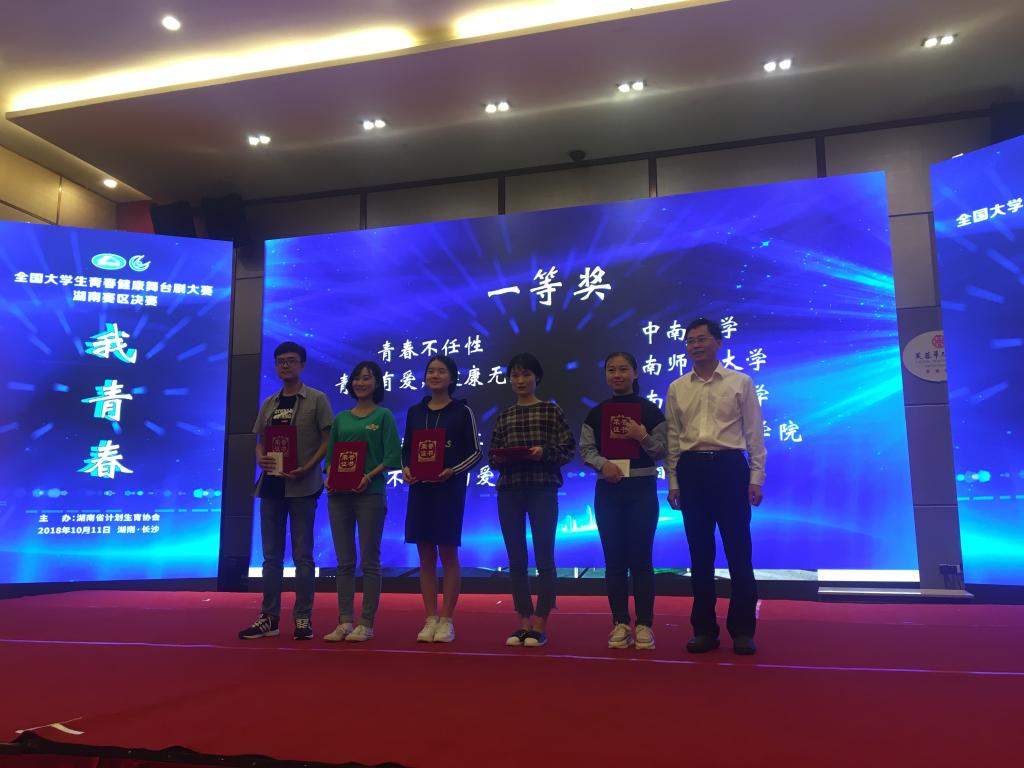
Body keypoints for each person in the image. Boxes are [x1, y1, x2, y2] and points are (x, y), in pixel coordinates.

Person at [665, 318, 766, 655]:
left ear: (718, 342)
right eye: (690, 340)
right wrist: (673, 481)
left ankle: (743, 631)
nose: (695, 345)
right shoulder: (677, 387)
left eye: (702, 339)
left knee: (739, 552)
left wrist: (756, 478)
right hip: (692, 470)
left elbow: (754, 433)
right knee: (700, 555)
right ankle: (704, 630)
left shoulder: (740, 382)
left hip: (729, 468)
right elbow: (673, 438)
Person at [240, 341, 333, 641]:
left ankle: (303, 617)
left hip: (303, 485)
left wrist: (309, 467)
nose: (285, 365)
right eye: (281, 361)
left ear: (302, 365)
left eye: (291, 360)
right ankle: (269, 618)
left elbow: (328, 440)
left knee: (303, 556)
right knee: (271, 558)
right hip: (271, 485)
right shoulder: (269, 403)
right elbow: (260, 441)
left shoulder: (317, 399)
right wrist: (259, 456)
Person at [579, 352, 667, 650]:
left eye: (623, 369)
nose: (617, 375)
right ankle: (619, 623)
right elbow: (586, 449)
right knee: (614, 561)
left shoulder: (650, 411)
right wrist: (603, 464)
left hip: (642, 489)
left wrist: (642, 436)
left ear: (635, 373)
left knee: (641, 560)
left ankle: (644, 625)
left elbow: (662, 450)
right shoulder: (596, 413)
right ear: (606, 375)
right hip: (609, 490)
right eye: (611, 370)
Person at [490, 353, 575, 647]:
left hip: (542, 489)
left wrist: (543, 453)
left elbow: (568, 449)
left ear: (536, 377)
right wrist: (502, 458)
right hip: (509, 491)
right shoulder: (505, 415)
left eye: (525, 374)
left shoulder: (551, 411)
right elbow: (492, 457)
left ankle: (540, 623)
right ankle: (523, 621)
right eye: (515, 375)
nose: (520, 380)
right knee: (516, 559)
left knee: (544, 557)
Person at [402, 355, 482, 643]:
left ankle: (447, 619)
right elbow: (406, 449)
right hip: (420, 489)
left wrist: (452, 471)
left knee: (448, 553)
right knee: (424, 555)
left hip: (449, 490)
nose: (434, 376)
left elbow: (476, 452)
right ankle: (429, 618)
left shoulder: (462, 411)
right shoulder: (415, 412)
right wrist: (406, 468)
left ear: (452, 378)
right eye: (430, 371)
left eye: (441, 371)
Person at [323, 360, 402, 643]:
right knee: (344, 562)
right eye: (357, 378)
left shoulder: (383, 416)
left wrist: (368, 477)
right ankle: (344, 621)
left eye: (367, 378)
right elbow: (330, 458)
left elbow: (392, 457)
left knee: (369, 561)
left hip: (370, 494)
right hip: (339, 496)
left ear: (377, 383)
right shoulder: (341, 418)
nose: (361, 383)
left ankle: (366, 623)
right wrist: (329, 475)